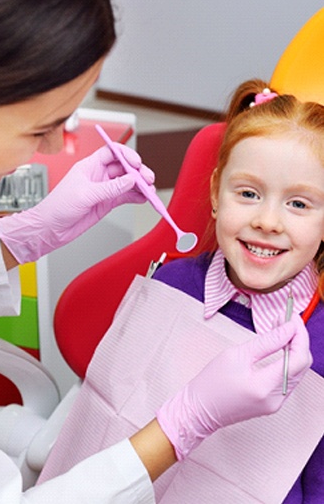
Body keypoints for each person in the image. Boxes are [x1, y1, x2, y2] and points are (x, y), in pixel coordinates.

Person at [0, 0, 311, 500]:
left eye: (299, 203)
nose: (52, 145)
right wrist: (183, 423)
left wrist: (27, 234)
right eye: (40, 126)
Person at [38, 79, 323, 502]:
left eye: (298, 203)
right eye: (247, 193)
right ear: (214, 194)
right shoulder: (170, 287)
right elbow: (107, 415)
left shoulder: (318, 344)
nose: (268, 220)